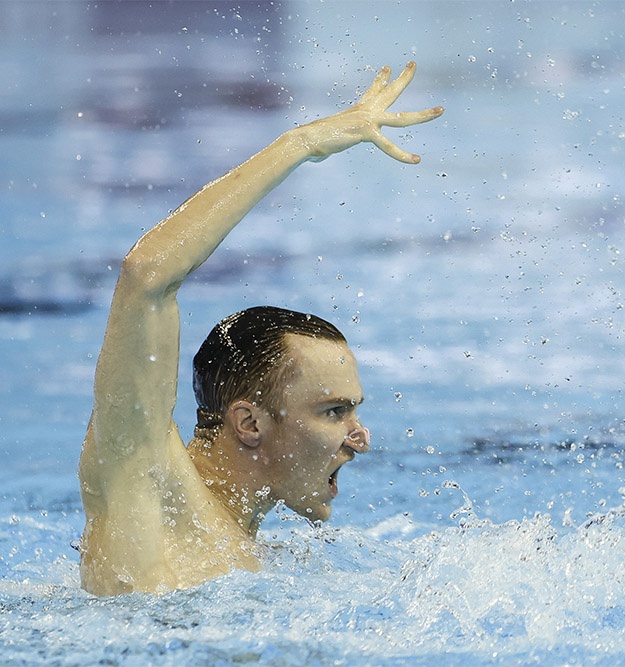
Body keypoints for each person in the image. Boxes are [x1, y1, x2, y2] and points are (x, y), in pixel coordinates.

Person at [77, 62, 443, 596]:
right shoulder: (149, 487)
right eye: (334, 411)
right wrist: (301, 144)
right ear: (248, 421)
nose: (361, 439)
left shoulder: (253, 550)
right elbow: (146, 277)